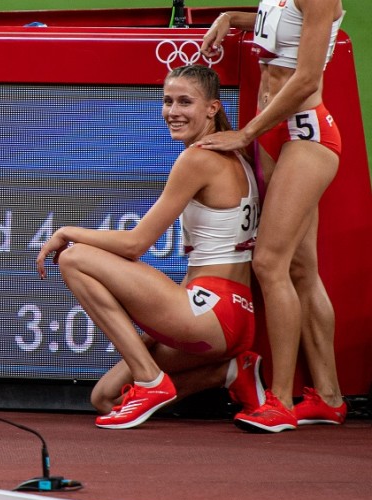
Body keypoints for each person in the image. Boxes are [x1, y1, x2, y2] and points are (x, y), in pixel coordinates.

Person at [36, 65, 263, 430]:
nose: (173, 111)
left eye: (185, 102)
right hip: (235, 317)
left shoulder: (196, 159)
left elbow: (135, 244)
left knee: (74, 257)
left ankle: (150, 381)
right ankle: (229, 372)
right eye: (167, 101)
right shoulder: (236, 154)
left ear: (212, 108)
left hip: (210, 313)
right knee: (105, 397)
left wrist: (66, 231)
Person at [199, 0, 347, 433]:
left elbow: (307, 77)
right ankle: (328, 396)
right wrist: (228, 19)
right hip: (279, 136)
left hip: (305, 135)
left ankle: (280, 400)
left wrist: (246, 133)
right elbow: (274, 35)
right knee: (304, 270)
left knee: (269, 263)